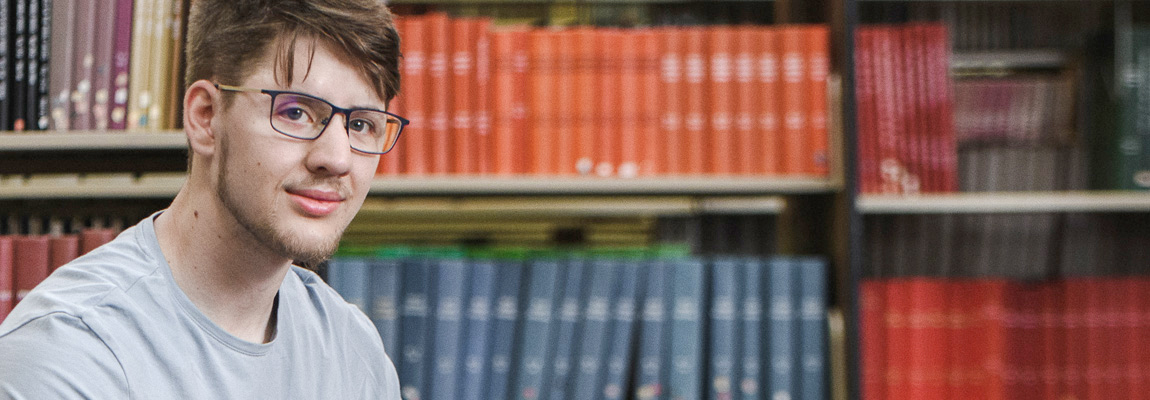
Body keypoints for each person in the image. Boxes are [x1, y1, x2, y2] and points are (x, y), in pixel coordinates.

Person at [0, 0, 407, 398]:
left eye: (361, 124)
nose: (337, 159)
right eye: (295, 112)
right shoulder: (68, 354)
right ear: (206, 117)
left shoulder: (355, 354)